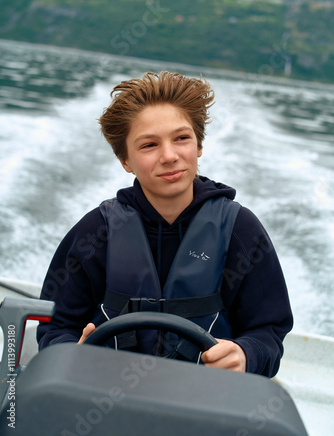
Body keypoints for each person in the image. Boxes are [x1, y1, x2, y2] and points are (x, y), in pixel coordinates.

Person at [37, 71, 293, 377]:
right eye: (149, 145)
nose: (169, 156)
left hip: (203, 402)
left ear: (198, 145)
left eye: (182, 138)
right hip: (103, 397)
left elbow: (268, 333)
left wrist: (245, 354)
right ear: (126, 161)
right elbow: (55, 326)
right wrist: (68, 354)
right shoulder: (96, 232)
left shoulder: (241, 230)